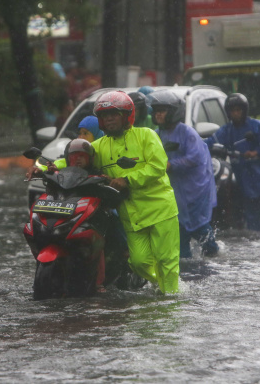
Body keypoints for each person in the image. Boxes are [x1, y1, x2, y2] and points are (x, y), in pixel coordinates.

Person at [91, 91, 180, 294]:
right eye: (105, 115)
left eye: (114, 114)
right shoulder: (99, 147)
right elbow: (76, 158)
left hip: (160, 210)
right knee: (139, 263)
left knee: (166, 260)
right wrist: (46, 168)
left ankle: (171, 300)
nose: (109, 119)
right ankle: (165, 286)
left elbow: (158, 166)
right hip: (132, 216)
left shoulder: (146, 135)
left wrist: (127, 179)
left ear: (126, 116)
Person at [149, 89, 219, 258]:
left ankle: (212, 253)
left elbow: (195, 158)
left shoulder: (188, 133)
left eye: (162, 111)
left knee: (200, 228)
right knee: (179, 230)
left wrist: (171, 165)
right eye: (156, 111)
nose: (158, 114)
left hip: (194, 191)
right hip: (174, 193)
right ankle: (185, 265)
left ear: (173, 112)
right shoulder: (156, 134)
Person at [205, 93, 260, 231]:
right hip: (245, 177)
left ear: (245, 111)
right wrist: (191, 144)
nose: (236, 114)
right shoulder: (226, 131)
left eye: (239, 110)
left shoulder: (257, 126)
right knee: (251, 214)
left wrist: (255, 152)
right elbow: (209, 143)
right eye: (233, 111)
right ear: (228, 113)